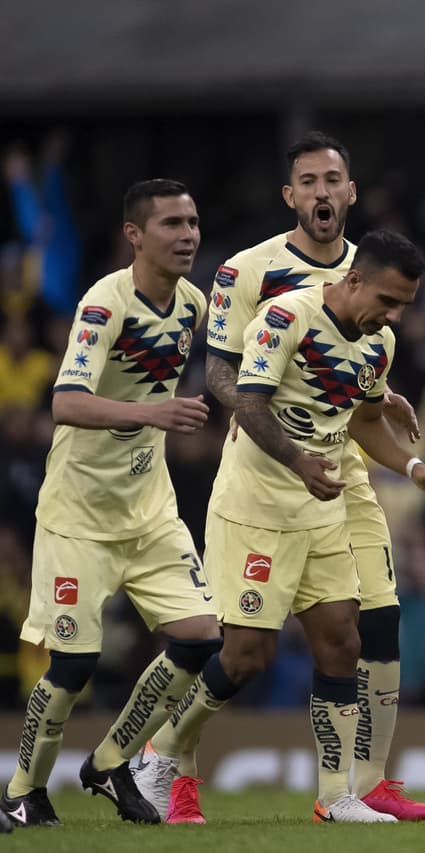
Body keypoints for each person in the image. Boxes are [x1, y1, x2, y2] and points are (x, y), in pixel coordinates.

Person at [137, 132, 425, 823]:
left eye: (333, 180)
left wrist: (372, 399)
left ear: (350, 191)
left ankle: (360, 785)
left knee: (371, 621)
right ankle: (171, 771)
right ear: (291, 195)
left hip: (340, 468)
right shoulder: (253, 274)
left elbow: (361, 382)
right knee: (240, 649)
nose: (321, 193)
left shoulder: (377, 286)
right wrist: (262, 410)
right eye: (307, 182)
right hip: (269, 464)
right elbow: (223, 371)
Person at [2, 180, 223, 827]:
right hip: (79, 513)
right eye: (173, 223)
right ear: (135, 234)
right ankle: (23, 790)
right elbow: (65, 402)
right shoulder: (105, 302)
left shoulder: (192, 303)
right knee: (73, 663)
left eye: (194, 221)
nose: (188, 234)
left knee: (200, 637)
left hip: (149, 506)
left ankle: (110, 761)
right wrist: (150, 411)